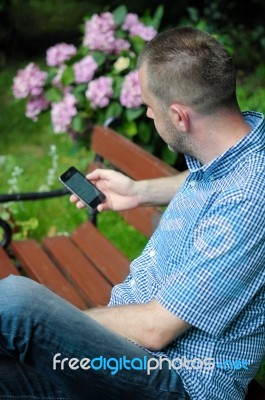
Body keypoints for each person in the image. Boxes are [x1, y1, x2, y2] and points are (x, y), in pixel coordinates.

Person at [0, 27, 264, 400]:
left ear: (178, 116)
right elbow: (211, 176)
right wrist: (140, 192)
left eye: (150, 108)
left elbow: (157, 328)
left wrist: (64, 327)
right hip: (125, 352)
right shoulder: (243, 139)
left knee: (15, 307)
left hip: (178, 378)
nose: (146, 113)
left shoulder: (251, 200)